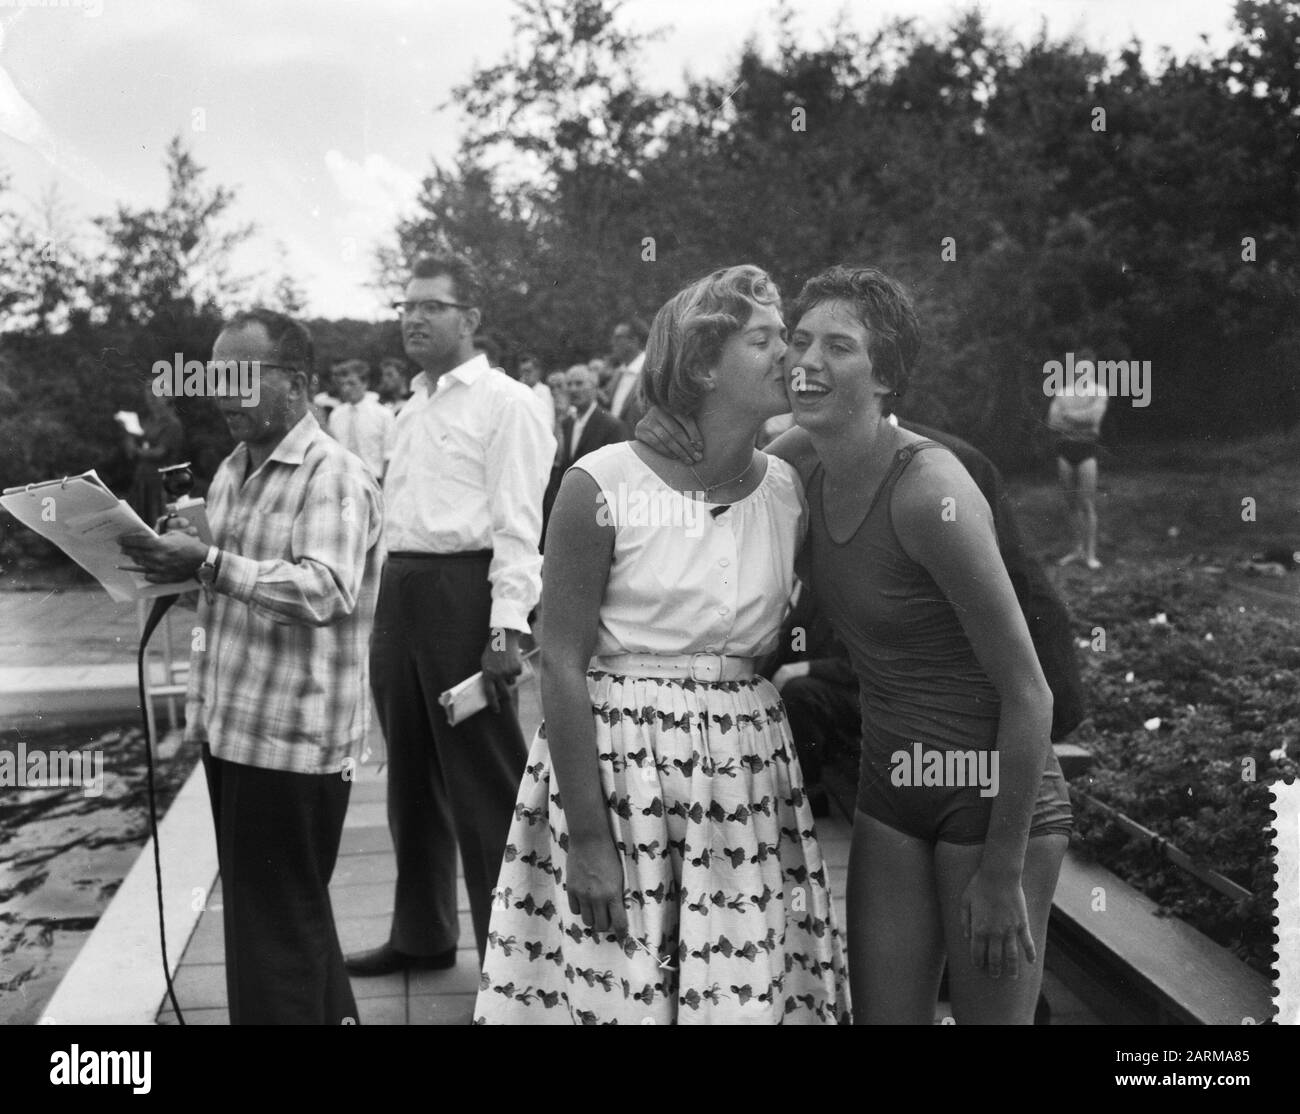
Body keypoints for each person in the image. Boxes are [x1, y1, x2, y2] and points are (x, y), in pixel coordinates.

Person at [639, 265, 1072, 1025]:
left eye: (838, 346)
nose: (806, 360)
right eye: (799, 339)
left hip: (995, 802)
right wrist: (663, 422)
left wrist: (1003, 872)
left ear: (886, 376)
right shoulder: (797, 467)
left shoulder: (929, 494)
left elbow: (1029, 690)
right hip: (890, 796)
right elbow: (701, 488)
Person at [475, 265, 850, 1025]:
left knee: (739, 997)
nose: (789, 356)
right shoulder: (600, 485)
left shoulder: (788, 486)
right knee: (618, 993)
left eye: (789, 338)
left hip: (744, 781)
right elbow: (561, 666)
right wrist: (586, 839)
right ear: (703, 363)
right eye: (764, 340)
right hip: (619, 781)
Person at [118, 309, 383, 1025]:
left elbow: (325, 589)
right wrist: (174, 570)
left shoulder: (332, 475)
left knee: (274, 944)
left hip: (292, 743)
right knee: (286, 921)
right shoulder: (235, 473)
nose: (223, 394)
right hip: (235, 730)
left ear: (296, 385)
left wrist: (207, 560)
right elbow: (239, 585)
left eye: (240, 377)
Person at [346, 255, 556, 976]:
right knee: (408, 778)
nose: (413, 317)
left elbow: (519, 525)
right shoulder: (410, 407)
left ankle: (516, 965)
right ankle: (423, 934)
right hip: (401, 595)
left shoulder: (509, 403)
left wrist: (505, 628)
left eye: (432, 306)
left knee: (484, 785)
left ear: (470, 319)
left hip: (464, 597)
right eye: (407, 306)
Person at [542, 364, 628, 536]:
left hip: (598, 516)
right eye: (570, 384)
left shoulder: (611, 425)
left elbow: (618, 476)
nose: (573, 389)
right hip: (570, 515)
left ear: (594, 387)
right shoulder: (567, 424)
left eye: (579, 383)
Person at [1047, 351, 1108, 569]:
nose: (1083, 373)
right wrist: (1081, 417)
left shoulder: (1100, 391)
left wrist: (1070, 415)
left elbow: (1094, 419)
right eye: (1079, 370)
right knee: (1070, 503)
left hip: (1087, 451)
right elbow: (1053, 422)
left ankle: (1090, 554)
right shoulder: (1063, 392)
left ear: (1092, 372)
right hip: (1065, 451)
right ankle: (1076, 549)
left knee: (1086, 503)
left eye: (1087, 370)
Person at [123, 390, 185, 524]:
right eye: (148, 393)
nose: (151, 397)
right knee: (138, 520)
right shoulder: (149, 421)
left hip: (160, 482)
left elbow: (160, 452)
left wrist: (138, 451)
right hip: (143, 478)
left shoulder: (172, 424)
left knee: (157, 520)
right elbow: (132, 451)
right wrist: (129, 435)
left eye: (156, 393)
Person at [328, 359, 395, 482]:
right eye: (342, 384)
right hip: (344, 480)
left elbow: (389, 456)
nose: (346, 389)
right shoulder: (336, 415)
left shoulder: (383, 414)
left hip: (374, 479)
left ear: (365, 383)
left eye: (351, 383)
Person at [605, 319, 648, 428]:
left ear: (634, 341)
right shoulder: (618, 373)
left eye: (618, 338)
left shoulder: (649, 373)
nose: (612, 342)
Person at [517, 353, 556, 434]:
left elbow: (548, 421)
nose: (525, 375)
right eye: (522, 372)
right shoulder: (517, 389)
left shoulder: (544, 391)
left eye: (528, 371)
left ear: (537, 372)